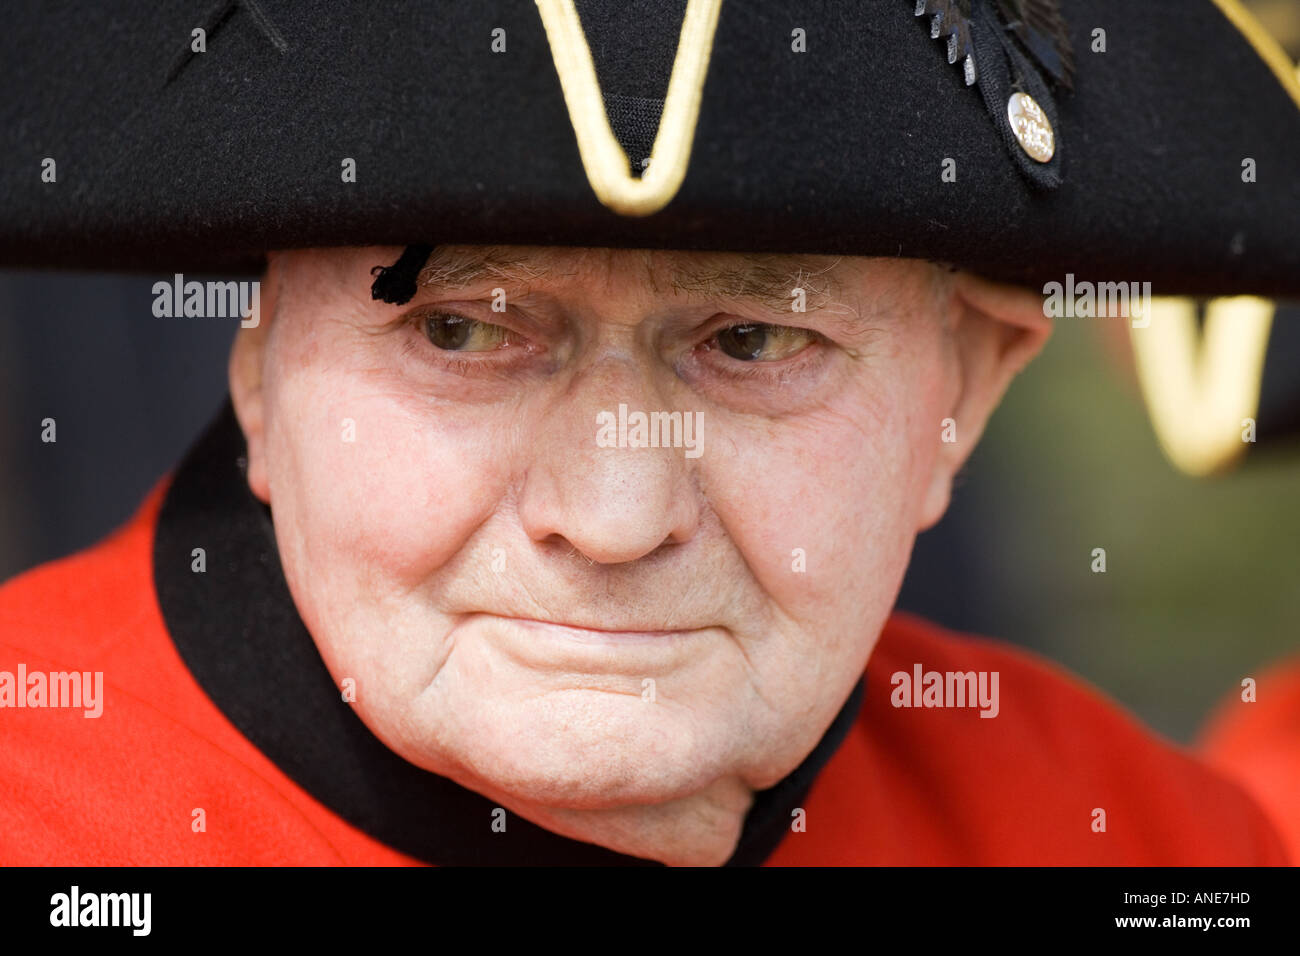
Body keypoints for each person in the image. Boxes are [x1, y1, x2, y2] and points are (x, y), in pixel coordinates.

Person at [1, 0, 1298, 865]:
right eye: (462, 331)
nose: (616, 520)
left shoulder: (1132, 839)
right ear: (261, 371)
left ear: (964, 394)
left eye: (752, 341)